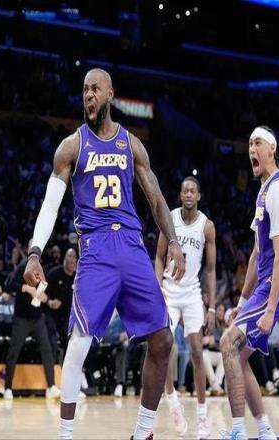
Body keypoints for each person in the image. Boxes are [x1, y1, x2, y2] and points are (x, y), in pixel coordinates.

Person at [24, 68, 185, 440]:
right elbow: (50, 205)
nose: (88, 96)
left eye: (95, 89)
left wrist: (174, 241)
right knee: (79, 342)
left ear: (110, 93)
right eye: (84, 90)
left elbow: (156, 199)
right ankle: (65, 434)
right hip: (96, 248)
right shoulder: (72, 146)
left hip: (132, 245)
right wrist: (35, 251)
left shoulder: (132, 144)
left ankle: (143, 432)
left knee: (163, 339)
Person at [220, 126, 279, 440]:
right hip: (266, 283)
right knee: (238, 358)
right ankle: (265, 431)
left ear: (271, 149)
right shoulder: (264, 189)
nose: (251, 149)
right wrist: (242, 302)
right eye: (249, 144)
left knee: (227, 343)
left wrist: (269, 309)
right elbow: (256, 254)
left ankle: (238, 431)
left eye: (257, 143)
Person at [155, 176, 216, 439]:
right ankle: (172, 399)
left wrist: (212, 307)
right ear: (180, 195)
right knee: (164, 347)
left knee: (197, 352)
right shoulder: (169, 219)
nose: (189, 194)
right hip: (169, 290)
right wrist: (157, 289)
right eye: (185, 191)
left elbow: (211, 270)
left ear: (199, 196)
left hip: (191, 292)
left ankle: (202, 417)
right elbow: (158, 257)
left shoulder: (207, 226)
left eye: (193, 191)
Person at [3, 251, 60, 400]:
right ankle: (7, 387)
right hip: (21, 318)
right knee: (14, 351)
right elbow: (9, 285)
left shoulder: (42, 269)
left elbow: (43, 292)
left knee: (47, 348)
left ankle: (51, 386)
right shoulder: (23, 267)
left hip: (37, 317)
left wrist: (45, 298)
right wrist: (26, 288)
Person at [45, 248, 78, 357]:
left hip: (67, 317)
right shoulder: (54, 274)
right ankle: (52, 366)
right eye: (69, 256)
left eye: (74, 257)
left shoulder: (78, 278)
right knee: (52, 341)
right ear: (64, 259)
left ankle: (67, 366)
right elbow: (41, 294)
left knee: (73, 341)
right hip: (51, 315)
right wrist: (49, 302)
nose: (72, 259)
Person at [202, 302, 226, 397]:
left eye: (223, 311)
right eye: (219, 310)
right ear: (215, 311)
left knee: (224, 357)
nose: (221, 313)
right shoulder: (208, 323)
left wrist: (214, 341)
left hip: (217, 353)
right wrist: (206, 340)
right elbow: (202, 341)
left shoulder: (224, 326)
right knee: (204, 355)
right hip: (206, 353)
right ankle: (216, 386)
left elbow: (223, 345)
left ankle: (215, 386)